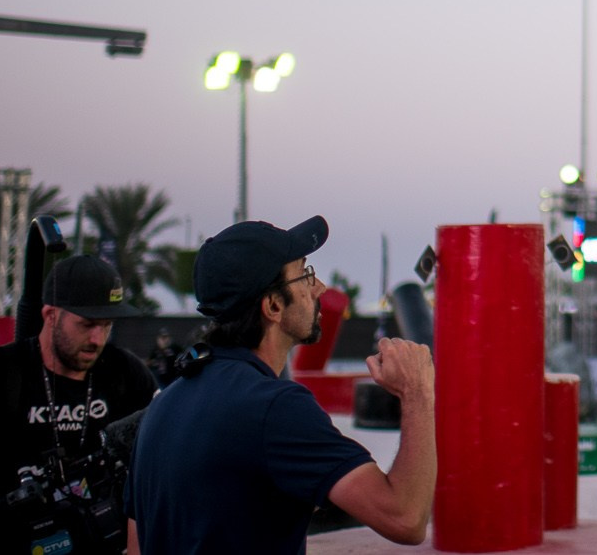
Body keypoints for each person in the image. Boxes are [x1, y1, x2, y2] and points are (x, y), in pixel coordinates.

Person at [127, 215, 436, 552]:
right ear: (273, 305)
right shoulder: (275, 408)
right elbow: (406, 519)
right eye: (306, 275)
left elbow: (136, 541)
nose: (319, 288)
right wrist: (417, 392)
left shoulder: (165, 404)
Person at [0, 254, 156, 505]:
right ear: (51, 315)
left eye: (107, 325)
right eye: (86, 324)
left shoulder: (125, 372)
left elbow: (170, 441)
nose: (97, 339)